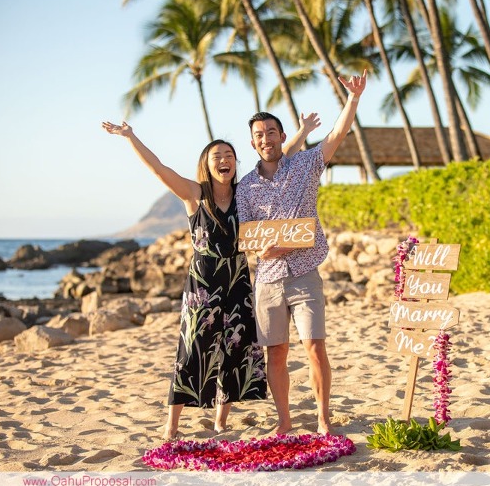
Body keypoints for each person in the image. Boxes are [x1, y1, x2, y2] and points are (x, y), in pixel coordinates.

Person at [101, 113, 320, 440]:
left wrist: (301, 131)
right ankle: (172, 423)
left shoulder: (245, 192)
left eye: (230, 156)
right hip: (203, 283)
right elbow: (158, 168)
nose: (224, 160)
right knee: (192, 348)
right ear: (206, 163)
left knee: (233, 349)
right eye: (217, 156)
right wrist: (131, 136)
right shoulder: (193, 194)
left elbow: (280, 154)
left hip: (238, 279)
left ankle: (220, 420)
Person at [236, 70, 367, 435]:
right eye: (259, 136)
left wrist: (353, 99)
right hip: (268, 280)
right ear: (253, 144)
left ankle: (324, 419)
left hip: (305, 272)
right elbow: (247, 238)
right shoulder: (245, 187)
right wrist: (266, 248)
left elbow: (337, 135)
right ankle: (284, 421)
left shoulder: (306, 166)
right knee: (275, 354)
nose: (266, 139)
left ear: (281, 136)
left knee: (314, 346)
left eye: (271, 133)